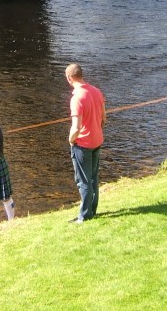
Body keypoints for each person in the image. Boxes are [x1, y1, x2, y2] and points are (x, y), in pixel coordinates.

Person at [65, 63, 106, 223]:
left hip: (83, 144)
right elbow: (104, 118)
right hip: (97, 141)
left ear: (69, 78)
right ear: (81, 75)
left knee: (83, 181)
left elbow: (76, 127)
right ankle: (92, 210)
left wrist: (71, 140)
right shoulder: (96, 91)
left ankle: (84, 216)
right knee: (94, 178)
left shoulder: (76, 98)